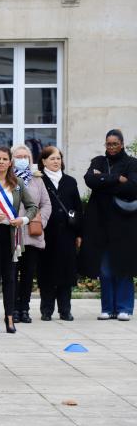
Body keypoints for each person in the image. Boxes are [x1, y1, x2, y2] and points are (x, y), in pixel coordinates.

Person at [0, 147, 38, 334]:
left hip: (11, 235)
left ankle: (10, 318)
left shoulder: (18, 183)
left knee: (11, 278)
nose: (2, 162)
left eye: (5, 158)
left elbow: (32, 206)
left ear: (10, 162)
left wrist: (24, 220)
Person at [81, 129, 137, 321]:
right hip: (100, 224)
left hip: (124, 224)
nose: (111, 147)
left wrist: (103, 179)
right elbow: (90, 180)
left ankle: (124, 308)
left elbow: (132, 187)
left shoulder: (131, 163)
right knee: (104, 269)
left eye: (115, 144)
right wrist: (116, 178)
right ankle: (107, 307)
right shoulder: (98, 161)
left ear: (122, 144)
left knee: (123, 267)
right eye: (108, 144)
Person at [38, 146, 83, 321]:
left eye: (58, 158)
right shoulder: (39, 180)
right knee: (47, 271)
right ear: (43, 161)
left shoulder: (70, 181)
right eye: (52, 159)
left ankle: (65, 310)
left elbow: (78, 208)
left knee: (66, 272)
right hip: (46, 233)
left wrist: (79, 233)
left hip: (67, 234)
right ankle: (46, 310)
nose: (56, 162)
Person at [12, 145, 52, 324]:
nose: (22, 159)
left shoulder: (37, 180)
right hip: (12, 234)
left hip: (32, 234)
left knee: (28, 274)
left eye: (25, 156)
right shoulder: (7, 178)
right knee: (12, 274)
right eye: (18, 156)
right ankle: (12, 308)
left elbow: (46, 204)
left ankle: (24, 309)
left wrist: (40, 221)